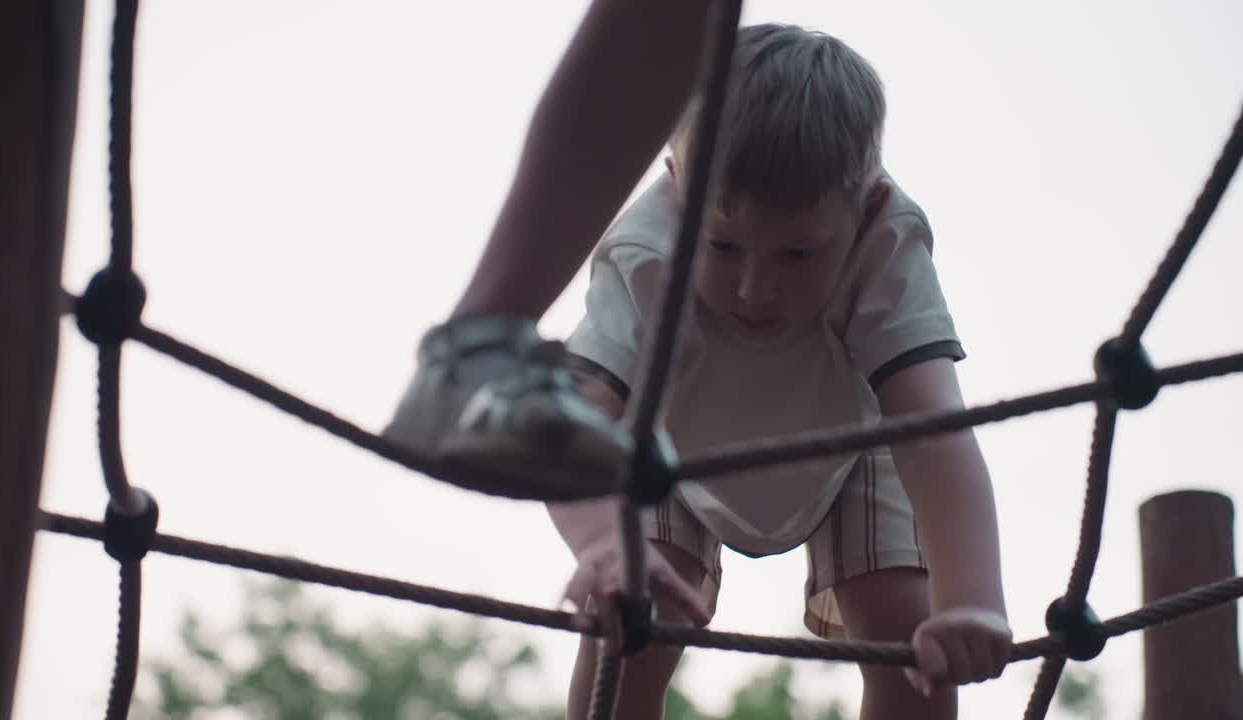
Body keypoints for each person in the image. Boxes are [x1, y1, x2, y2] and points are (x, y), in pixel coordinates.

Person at [549, 24, 1012, 720]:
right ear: (679, 195)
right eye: (724, 245)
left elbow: (933, 430)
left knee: (914, 634)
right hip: (668, 432)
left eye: (797, 255)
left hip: (852, 432)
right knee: (631, 620)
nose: (752, 289)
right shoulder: (646, 252)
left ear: (867, 213)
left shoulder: (888, 246)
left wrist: (972, 600)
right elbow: (581, 417)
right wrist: (601, 544)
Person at [382, 0, 721, 500]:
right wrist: (601, 540)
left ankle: (479, 343)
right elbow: (600, 404)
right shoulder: (643, 257)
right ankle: (474, 349)